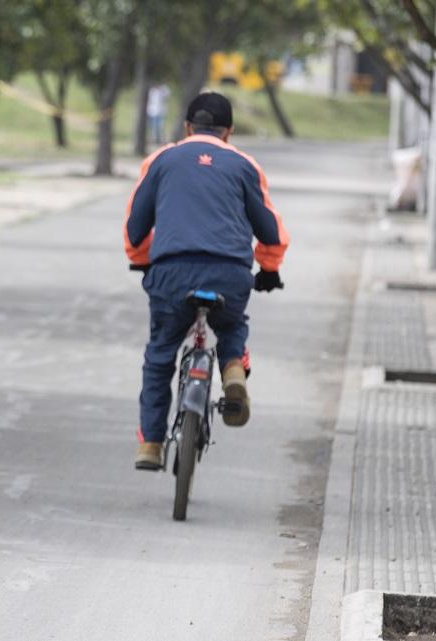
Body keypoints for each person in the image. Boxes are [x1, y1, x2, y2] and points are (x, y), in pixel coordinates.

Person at [123, 92, 288, 471]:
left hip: (172, 274)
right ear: (228, 132)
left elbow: (135, 229)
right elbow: (271, 231)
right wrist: (269, 269)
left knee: (161, 353)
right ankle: (232, 368)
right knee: (231, 324)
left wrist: (143, 261)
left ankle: (150, 443)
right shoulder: (245, 165)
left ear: (186, 127)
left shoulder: (161, 160)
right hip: (229, 273)